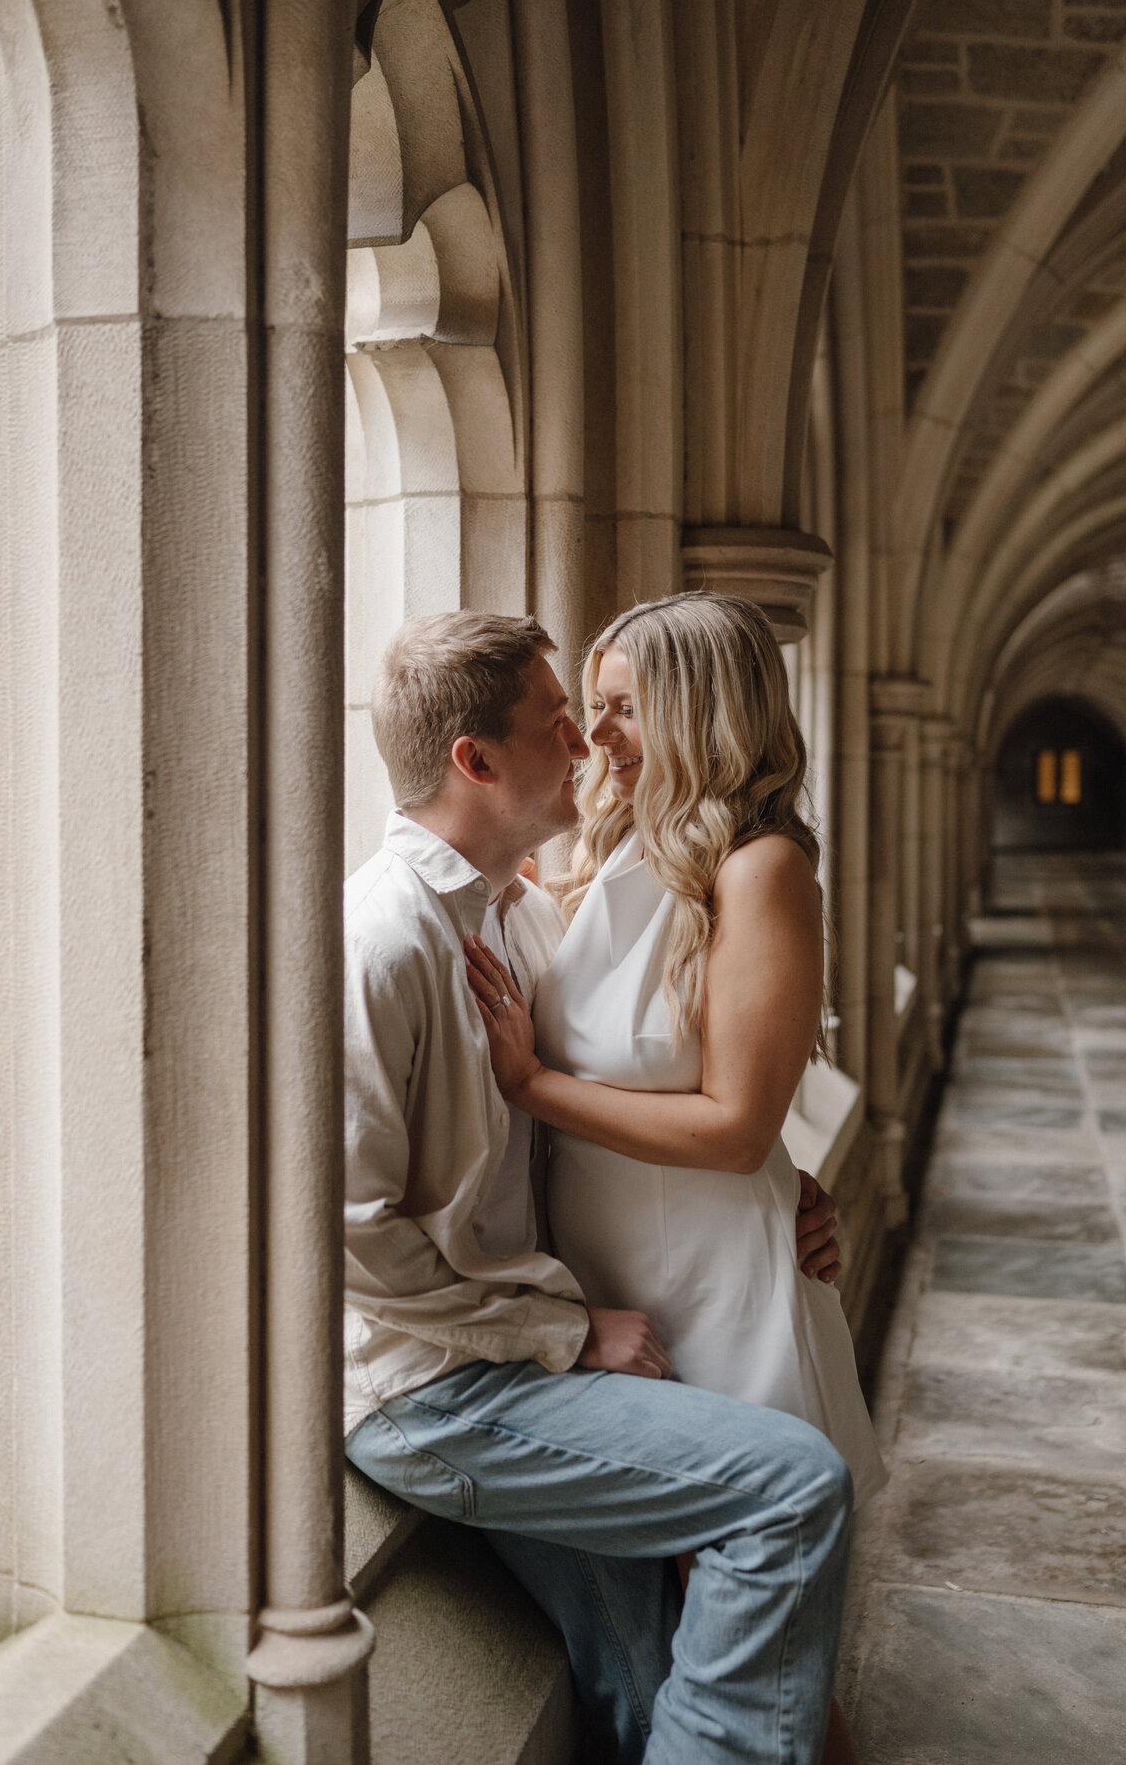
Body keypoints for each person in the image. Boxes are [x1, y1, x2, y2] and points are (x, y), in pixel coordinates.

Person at [343, 609, 853, 1765]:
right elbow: (345, 1229)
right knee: (759, 1555)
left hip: (642, 1307)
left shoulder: (521, 909)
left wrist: (784, 1182)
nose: (588, 743)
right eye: (567, 717)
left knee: (678, 1672)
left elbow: (701, 1096)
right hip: (470, 1368)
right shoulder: (388, 937)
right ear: (475, 760)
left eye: (609, 711)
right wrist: (560, 1333)